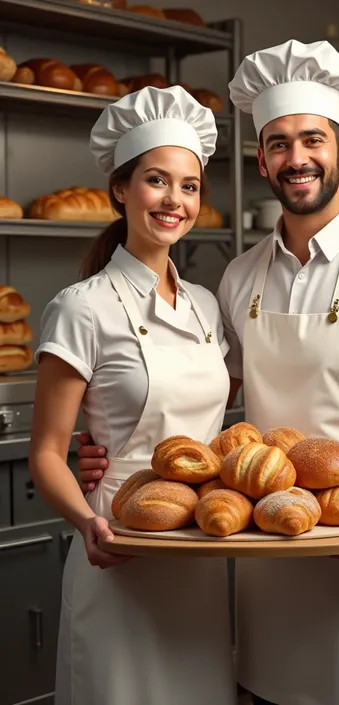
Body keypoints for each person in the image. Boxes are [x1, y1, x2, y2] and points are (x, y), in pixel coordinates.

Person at [74, 40, 339, 705]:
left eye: (312, 139)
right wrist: (106, 444)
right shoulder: (239, 275)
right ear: (261, 159)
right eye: (279, 143)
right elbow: (199, 390)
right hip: (264, 559)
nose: (297, 158)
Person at [28, 85, 237, 705]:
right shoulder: (81, 306)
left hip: (199, 547)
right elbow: (46, 453)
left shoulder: (206, 305)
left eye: (190, 186)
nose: (175, 200)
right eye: (156, 181)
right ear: (121, 190)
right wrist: (89, 522)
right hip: (118, 546)